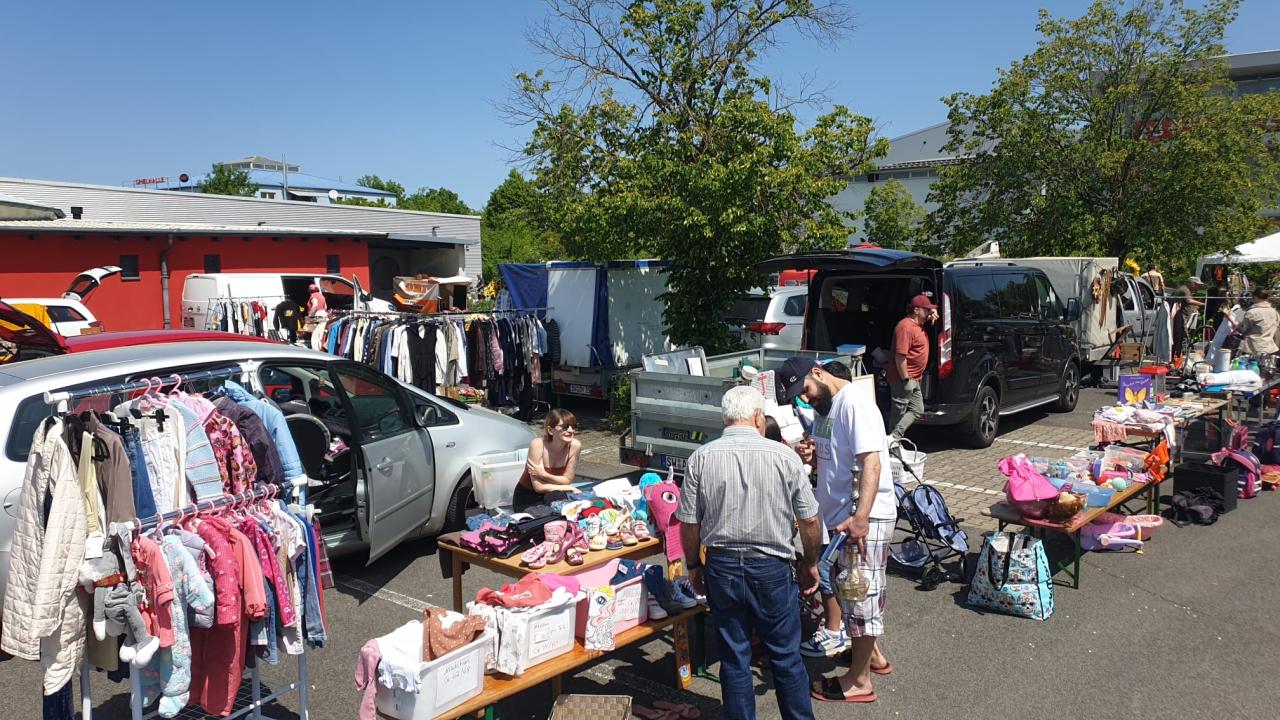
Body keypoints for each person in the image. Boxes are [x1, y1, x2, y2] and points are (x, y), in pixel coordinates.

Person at [677, 386, 822, 720]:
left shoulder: (702, 457)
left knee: (734, 659)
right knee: (786, 657)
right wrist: (810, 562)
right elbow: (810, 519)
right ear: (758, 417)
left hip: (722, 566)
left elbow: (688, 524)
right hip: (772, 566)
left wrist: (692, 565)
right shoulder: (784, 456)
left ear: (725, 418)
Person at [778, 357, 896, 703]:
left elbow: (871, 462)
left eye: (807, 391)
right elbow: (832, 456)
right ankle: (871, 657)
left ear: (818, 373)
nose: (806, 399)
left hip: (861, 521)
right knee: (850, 593)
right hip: (841, 522)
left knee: (862, 595)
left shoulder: (855, 403)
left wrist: (861, 517)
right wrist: (810, 454)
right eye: (800, 398)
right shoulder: (826, 409)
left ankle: (860, 681)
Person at [886, 294, 936, 438]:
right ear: (916, 310)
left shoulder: (918, 324)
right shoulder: (905, 327)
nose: (929, 313)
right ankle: (892, 442)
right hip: (904, 378)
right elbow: (900, 355)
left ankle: (895, 436)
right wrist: (905, 378)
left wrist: (932, 313)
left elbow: (931, 314)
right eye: (926, 310)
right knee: (898, 411)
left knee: (918, 409)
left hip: (915, 378)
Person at [511, 409, 582, 511]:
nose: (571, 430)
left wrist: (543, 474)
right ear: (550, 430)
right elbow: (539, 487)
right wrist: (569, 488)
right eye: (565, 427)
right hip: (528, 497)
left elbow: (567, 480)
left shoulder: (575, 446)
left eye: (573, 426)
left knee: (562, 508)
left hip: (553, 493)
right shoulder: (537, 445)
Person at [1228, 288, 1280, 356]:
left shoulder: (1252, 312)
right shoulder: (1275, 312)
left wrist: (1233, 322)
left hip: (1253, 348)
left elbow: (1243, 330)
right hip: (1270, 347)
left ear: (1255, 297)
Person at [1174, 276, 1206, 353]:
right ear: (1192, 283)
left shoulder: (1187, 290)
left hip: (1184, 315)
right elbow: (1188, 301)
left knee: (1184, 334)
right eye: (1197, 285)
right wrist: (1203, 304)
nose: (1199, 287)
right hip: (1180, 315)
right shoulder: (1185, 290)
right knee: (1183, 334)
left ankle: (1183, 351)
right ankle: (1182, 353)